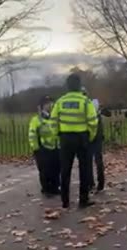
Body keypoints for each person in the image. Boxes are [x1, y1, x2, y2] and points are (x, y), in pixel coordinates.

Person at [49, 74, 98, 209]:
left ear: (67, 86)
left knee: (65, 170)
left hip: (65, 138)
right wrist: (91, 136)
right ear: (79, 85)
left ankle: (65, 201)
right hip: (82, 137)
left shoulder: (60, 102)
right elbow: (93, 122)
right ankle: (83, 200)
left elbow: (53, 121)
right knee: (84, 169)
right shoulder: (85, 101)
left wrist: (57, 134)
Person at [28, 96, 60, 196]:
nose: (49, 105)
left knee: (56, 168)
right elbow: (32, 134)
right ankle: (46, 189)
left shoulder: (56, 118)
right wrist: (35, 148)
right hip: (42, 148)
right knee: (45, 170)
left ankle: (55, 187)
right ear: (41, 107)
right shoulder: (36, 119)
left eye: (51, 103)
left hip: (55, 147)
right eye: (47, 104)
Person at [89, 99, 111, 192]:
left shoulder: (90, 107)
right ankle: (96, 183)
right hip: (94, 138)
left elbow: (108, 114)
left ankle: (95, 183)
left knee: (94, 161)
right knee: (95, 161)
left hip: (92, 138)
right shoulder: (93, 108)